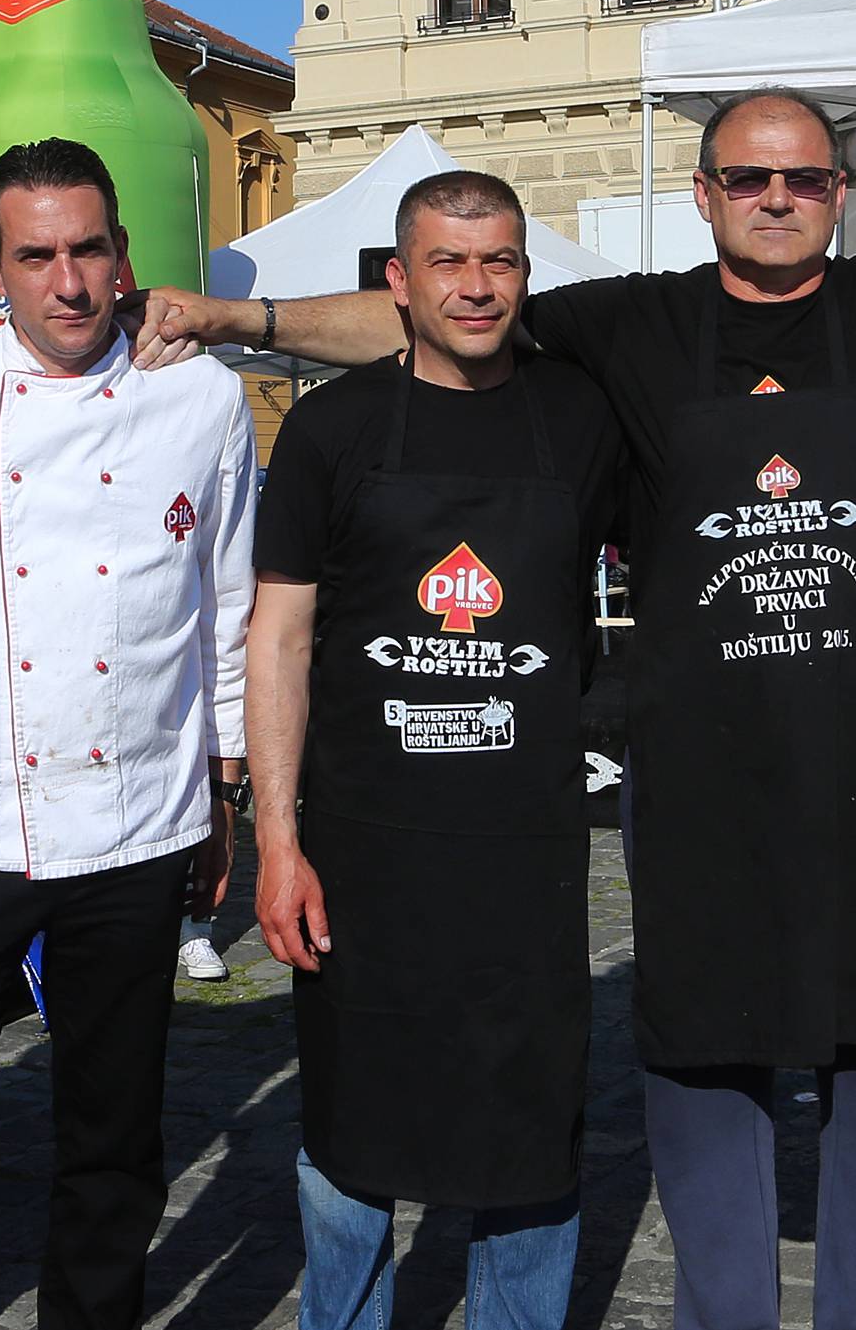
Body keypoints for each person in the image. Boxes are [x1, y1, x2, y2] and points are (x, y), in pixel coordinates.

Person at [141, 88, 856, 1330]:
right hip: (693, 769)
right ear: (707, 193)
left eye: (804, 180)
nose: (777, 198)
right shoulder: (630, 325)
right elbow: (426, 325)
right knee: (695, 1061)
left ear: (839, 193)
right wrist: (239, 314)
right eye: (749, 179)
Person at [0, 136, 255, 1330]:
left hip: (135, 824)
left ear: (124, 253)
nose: (69, 283)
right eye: (38, 256)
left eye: (90, 250)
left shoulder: (202, 395)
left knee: (113, 1145)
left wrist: (226, 783)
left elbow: (225, 608)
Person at [249, 171, 621, 1330]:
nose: (477, 285)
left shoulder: (582, 416)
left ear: (525, 273)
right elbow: (281, 636)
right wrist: (275, 839)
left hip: (527, 847)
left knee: (530, 1132)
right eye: (449, 262)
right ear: (399, 282)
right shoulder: (331, 428)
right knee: (352, 1133)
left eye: (499, 260)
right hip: (365, 849)